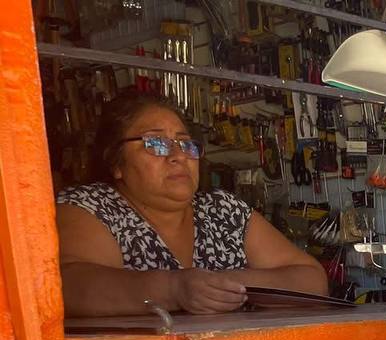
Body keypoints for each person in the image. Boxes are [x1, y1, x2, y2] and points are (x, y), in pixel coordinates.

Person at [55, 92, 327, 317]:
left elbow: (312, 281)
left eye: (185, 144)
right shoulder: (88, 206)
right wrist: (173, 289)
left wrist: (222, 284)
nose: (178, 156)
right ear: (115, 162)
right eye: (156, 143)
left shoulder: (222, 210)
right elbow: (70, 287)